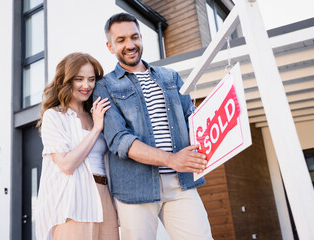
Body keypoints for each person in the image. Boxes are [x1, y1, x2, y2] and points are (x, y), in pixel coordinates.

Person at [93, 13, 213, 240]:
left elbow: (193, 119)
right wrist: (171, 159)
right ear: (110, 46)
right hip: (135, 190)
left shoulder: (171, 77)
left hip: (181, 183)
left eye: (134, 37)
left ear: (141, 38)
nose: (130, 45)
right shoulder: (104, 86)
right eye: (121, 40)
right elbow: (120, 140)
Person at [35, 52, 119, 240]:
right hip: (75, 198)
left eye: (91, 79)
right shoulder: (54, 116)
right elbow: (66, 165)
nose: (86, 86)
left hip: (105, 193)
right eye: (79, 79)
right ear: (66, 80)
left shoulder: (95, 113)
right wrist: (97, 128)